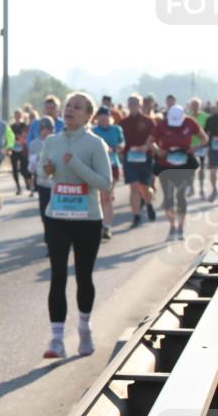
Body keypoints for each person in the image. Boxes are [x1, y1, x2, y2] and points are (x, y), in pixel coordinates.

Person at [37, 93, 112, 359]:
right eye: (68, 105)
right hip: (57, 216)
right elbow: (41, 176)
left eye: (77, 107)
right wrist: (46, 169)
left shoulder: (95, 144)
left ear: (87, 116)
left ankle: (83, 327)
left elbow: (105, 183)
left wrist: (76, 164)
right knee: (57, 275)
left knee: (83, 275)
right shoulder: (51, 141)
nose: (70, 110)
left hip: (87, 219)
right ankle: (56, 339)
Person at [152, 105, 205, 240]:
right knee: (169, 198)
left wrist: (195, 147)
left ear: (183, 117)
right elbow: (150, 142)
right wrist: (158, 151)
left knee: (181, 196)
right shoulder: (162, 125)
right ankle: (172, 227)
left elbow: (204, 138)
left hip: (184, 165)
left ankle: (181, 227)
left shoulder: (190, 123)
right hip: (166, 166)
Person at [119, 94, 158, 228]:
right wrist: (121, 149)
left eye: (135, 102)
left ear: (140, 105)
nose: (133, 105)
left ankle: (148, 203)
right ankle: (136, 215)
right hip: (129, 159)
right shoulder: (123, 122)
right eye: (130, 103)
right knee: (134, 186)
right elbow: (120, 140)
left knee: (145, 187)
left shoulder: (149, 121)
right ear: (128, 105)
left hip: (145, 158)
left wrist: (145, 147)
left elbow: (155, 138)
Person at [91, 107, 125, 239]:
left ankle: (107, 226)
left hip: (113, 165)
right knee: (100, 198)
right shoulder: (93, 131)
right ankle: (100, 223)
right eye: (101, 117)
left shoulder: (116, 129)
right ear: (97, 118)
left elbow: (122, 143)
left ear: (110, 117)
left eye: (106, 117)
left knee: (106, 197)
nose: (104, 120)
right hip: (97, 167)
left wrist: (116, 148)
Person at [28, 115, 56, 238]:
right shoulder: (34, 144)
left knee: (55, 212)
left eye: (48, 129)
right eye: (42, 129)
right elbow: (31, 167)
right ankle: (48, 234)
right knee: (44, 211)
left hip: (56, 183)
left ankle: (54, 236)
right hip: (42, 182)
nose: (45, 132)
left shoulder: (57, 142)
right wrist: (34, 162)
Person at [187, 97, 210, 199]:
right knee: (191, 168)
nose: (195, 107)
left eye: (197, 105)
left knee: (202, 168)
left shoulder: (206, 117)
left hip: (201, 146)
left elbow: (207, 132)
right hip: (191, 146)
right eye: (193, 105)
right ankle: (191, 187)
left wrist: (201, 143)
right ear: (191, 106)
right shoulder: (188, 117)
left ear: (200, 106)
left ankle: (201, 189)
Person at [9, 109, 31, 196]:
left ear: (21, 115)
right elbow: (8, 137)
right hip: (14, 150)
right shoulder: (11, 126)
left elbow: (27, 136)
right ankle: (18, 187)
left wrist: (20, 138)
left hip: (23, 150)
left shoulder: (24, 126)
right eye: (15, 114)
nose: (17, 116)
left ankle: (27, 183)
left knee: (23, 169)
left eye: (18, 114)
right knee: (14, 169)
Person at [206, 99, 218, 202]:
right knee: (213, 171)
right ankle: (215, 190)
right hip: (213, 148)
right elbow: (205, 133)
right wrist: (211, 138)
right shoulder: (211, 119)